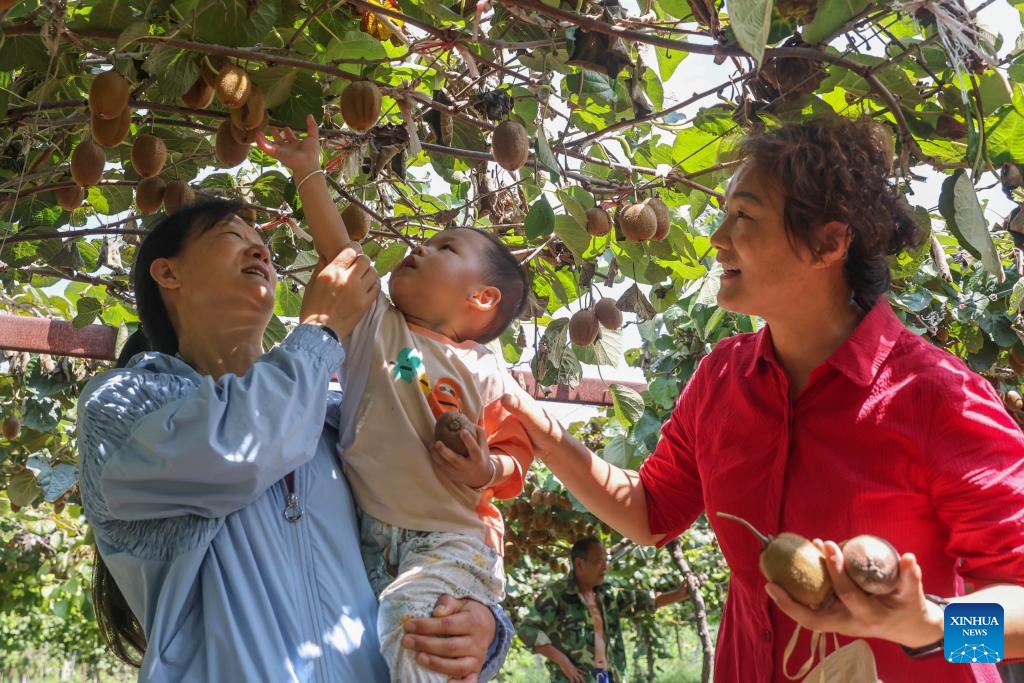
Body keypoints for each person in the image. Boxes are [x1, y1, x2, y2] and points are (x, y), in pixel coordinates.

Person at [500, 117, 1024, 682]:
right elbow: (651, 511)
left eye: (744, 216)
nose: (718, 237)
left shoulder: (935, 397)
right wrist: (531, 421)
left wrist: (929, 624)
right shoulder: (722, 378)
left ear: (828, 242)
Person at [77, 198, 512, 682]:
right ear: (168, 273)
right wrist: (321, 331)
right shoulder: (124, 405)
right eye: (232, 237)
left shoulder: (332, 419)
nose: (260, 251)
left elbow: (419, 533)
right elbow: (240, 451)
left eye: (263, 245)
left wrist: (482, 627)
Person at [257, 118, 534, 681]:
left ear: (482, 298)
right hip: (372, 536)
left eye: (444, 248)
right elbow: (341, 253)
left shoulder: (486, 370)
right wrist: (308, 171)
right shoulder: (377, 329)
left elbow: (517, 458)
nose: (418, 246)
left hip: (448, 536)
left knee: (417, 630)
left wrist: (486, 468)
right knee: (380, 650)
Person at [517, 536, 690, 683]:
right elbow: (527, 630)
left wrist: (679, 594)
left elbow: (645, 601)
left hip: (608, 677)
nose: (605, 567)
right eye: (598, 561)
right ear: (579, 564)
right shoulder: (557, 595)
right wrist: (563, 662)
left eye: (605, 561)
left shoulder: (607, 596)